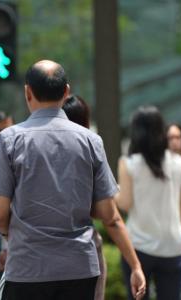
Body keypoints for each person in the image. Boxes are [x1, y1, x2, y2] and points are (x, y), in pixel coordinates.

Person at [0, 60, 146, 300]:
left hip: (27, 267)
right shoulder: (91, 141)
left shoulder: (9, 140)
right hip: (79, 267)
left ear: (28, 92)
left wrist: (20, 234)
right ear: (66, 92)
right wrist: (136, 266)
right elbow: (108, 213)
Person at [115, 106, 181, 300]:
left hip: (139, 248)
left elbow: (125, 203)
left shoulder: (129, 163)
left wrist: (110, 190)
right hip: (173, 246)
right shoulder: (180, 164)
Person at [62, 94, 106, 300]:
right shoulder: (91, 144)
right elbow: (107, 213)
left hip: (36, 257)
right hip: (82, 251)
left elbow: (0, 213)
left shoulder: (23, 141)